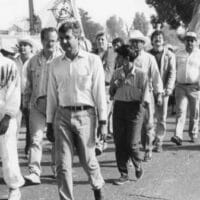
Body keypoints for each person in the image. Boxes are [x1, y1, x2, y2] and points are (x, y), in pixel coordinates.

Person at [46, 21, 107, 200]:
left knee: (88, 161)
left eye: (68, 38)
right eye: (61, 39)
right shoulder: (55, 64)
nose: (64, 42)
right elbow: (51, 96)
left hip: (86, 115)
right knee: (62, 165)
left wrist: (103, 122)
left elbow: (99, 93)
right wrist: (49, 123)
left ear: (78, 38)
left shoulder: (92, 60)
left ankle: (97, 187)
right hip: (62, 116)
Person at [24, 27, 61, 184]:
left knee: (57, 140)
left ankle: (57, 169)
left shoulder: (62, 59)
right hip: (37, 106)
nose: (50, 43)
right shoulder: (33, 61)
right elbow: (28, 85)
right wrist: (26, 103)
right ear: (42, 41)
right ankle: (34, 172)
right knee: (35, 139)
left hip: (57, 106)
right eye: (47, 40)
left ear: (57, 41)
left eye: (53, 40)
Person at [110, 44, 150, 185]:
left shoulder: (141, 74)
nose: (117, 59)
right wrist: (116, 85)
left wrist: (144, 115)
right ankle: (123, 173)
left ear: (126, 59)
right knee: (119, 142)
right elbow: (111, 94)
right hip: (119, 108)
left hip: (135, 109)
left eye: (119, 56)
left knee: (132, 143)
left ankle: (138, 163)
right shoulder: (116, 73)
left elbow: (145, 97)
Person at [128, 30, 163, 161]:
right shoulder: (127, 58)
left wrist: (159, 94)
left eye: (138, 42)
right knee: (133, 126)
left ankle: (148, 149)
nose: (135, 44)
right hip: (130, 96)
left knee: (148, 124)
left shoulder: (149, 58)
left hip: (146, 95)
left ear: (143, 43)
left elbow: (156, 77)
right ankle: (133, 152)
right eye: (133, 42)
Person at [0, 51, 25, 200]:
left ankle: (14, 187)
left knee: (8, 153)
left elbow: (15, 92)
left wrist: (8, 116)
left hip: (4, 115)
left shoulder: (8, 65)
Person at [171, 31, 200, 145]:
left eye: (192, 40)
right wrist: (173, 85)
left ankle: (193, 133)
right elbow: (174, 70)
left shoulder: (199, 54)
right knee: (181, 111)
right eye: (187, 40)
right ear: (184, 41)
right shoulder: (178, 53)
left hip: (195, 87)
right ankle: (178, 135)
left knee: (195, 112)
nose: (190, 42)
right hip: (180, 87)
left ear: (195, 42)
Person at [149, 30, 176, 152]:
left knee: (161, 118)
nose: (158, 39)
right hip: (149, 91)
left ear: (163, 40)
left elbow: (172, 73)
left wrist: (169, 89)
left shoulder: (169, 55)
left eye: (160, 37)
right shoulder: (147, 55)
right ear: (152, 40)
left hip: (164, 91)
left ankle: (159, 141)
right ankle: (151, 138)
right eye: (155, 37)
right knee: (149, 117)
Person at [94, 31, 116, 154]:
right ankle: (100, 141)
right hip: (94, 89)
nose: (101, 42)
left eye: (103, 39)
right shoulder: (93, 55)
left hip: (106, 89)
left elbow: (108, 72)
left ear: (107, 42)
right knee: (96, 116)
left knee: (103, 116)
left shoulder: (110, 54)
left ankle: (100, 142)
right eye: (99, 40)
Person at [15, 36, 35, 156]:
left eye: (25, 45)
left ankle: (29, 149)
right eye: (21, 45)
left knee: (30, 125)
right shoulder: (14, 61)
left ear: (31, 47)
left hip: (30, 96)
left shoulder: (34, 61)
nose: (22, 47)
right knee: (14, 125)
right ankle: (10, 152)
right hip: (16, 96)